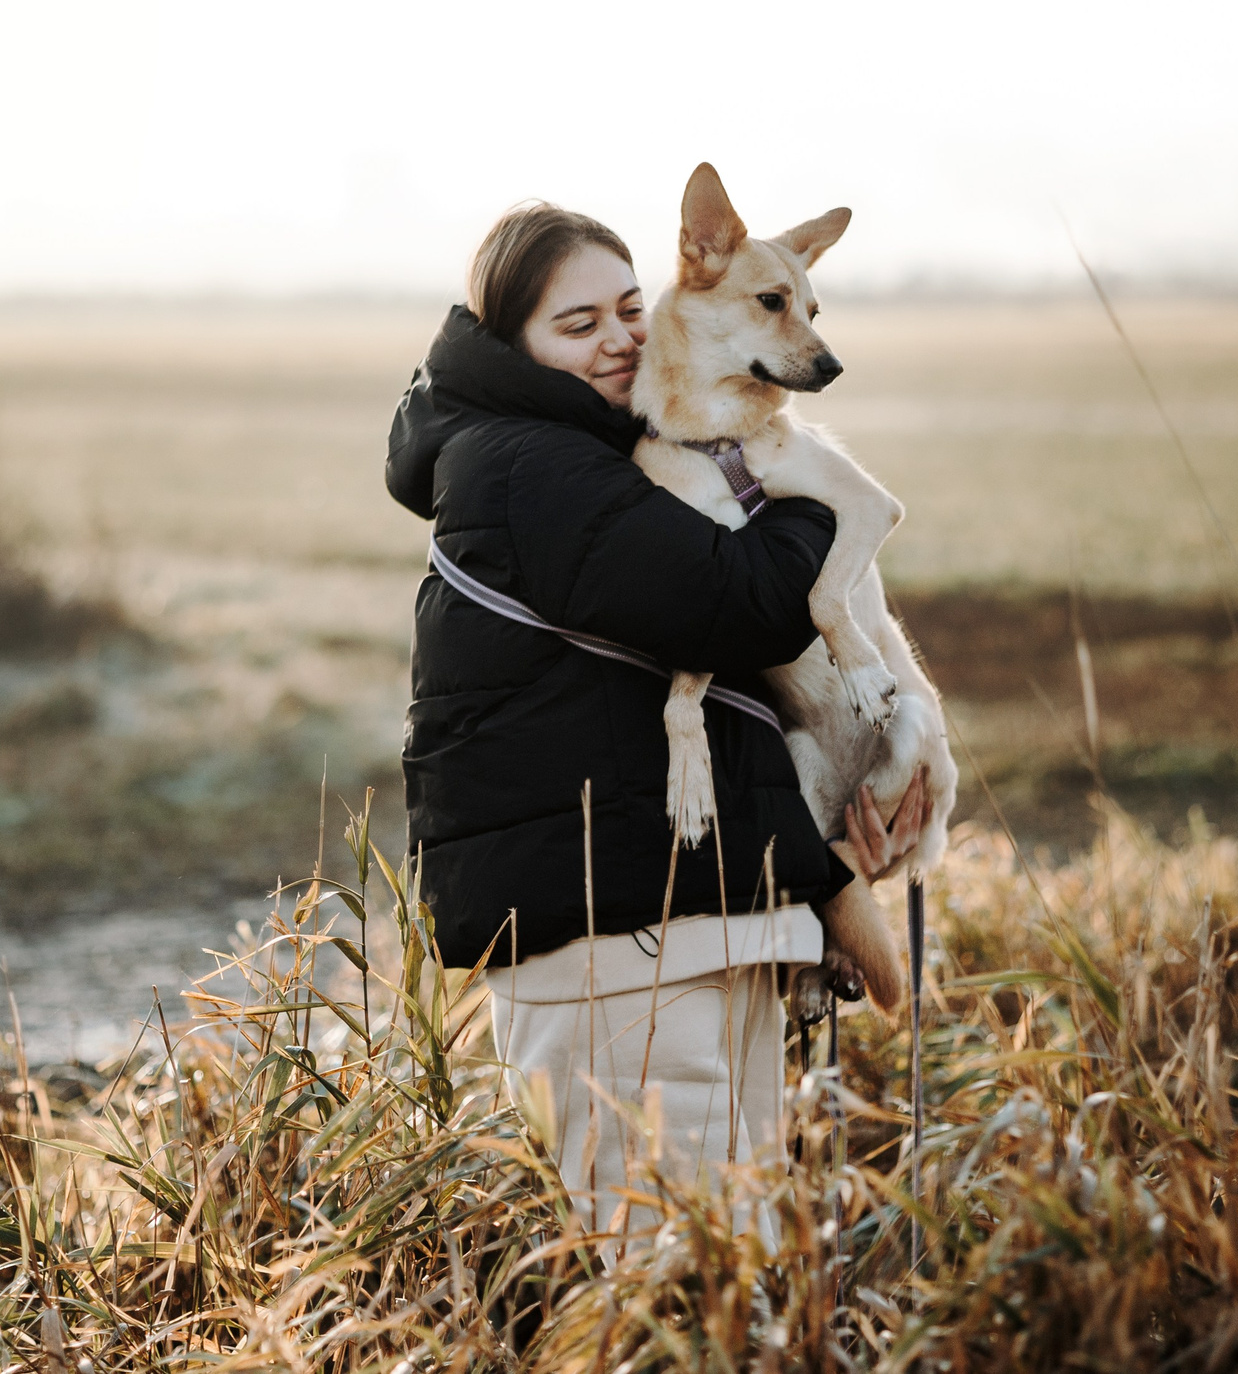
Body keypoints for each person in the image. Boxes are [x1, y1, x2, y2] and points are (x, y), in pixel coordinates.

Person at [384, 201, 926, 1237]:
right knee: (673, 1280)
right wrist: (798, 480)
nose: (620, 338)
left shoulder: (624, 447)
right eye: (577, 323)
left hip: (699, 923)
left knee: (742, 1277)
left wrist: (821, 862)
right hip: (622, 956)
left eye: (630, 309)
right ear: (509, 342)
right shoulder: (530, 466)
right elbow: (744, 601)